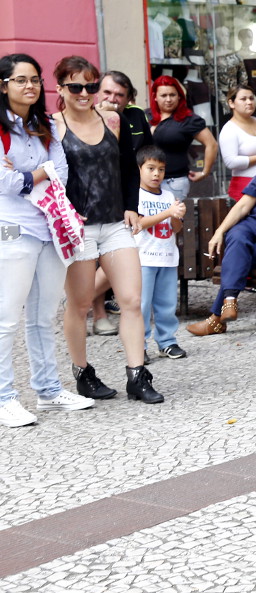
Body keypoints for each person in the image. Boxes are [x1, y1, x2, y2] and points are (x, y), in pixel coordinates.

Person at [53, 56, 163, 404]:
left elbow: (130, 168)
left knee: (130, 299)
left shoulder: (112, 120)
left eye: (90, 86)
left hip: (116, 222)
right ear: (60, 89)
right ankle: (83, 373)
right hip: (78, 228)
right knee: (80, 303)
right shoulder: (53, 127)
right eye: (75, 86)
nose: (84, 93)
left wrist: (132, 206)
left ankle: (137, 375)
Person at [0, 54, 96, 427]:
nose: (30, 86)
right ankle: (5, 397)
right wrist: (39, 172)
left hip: (50, 229)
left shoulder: (46, 126)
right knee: (7, 318)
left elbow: (62, 172)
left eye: (35, 80)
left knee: (43, 316)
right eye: (21, 80)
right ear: (3, 85)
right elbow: (5, 183)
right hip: (12, 229)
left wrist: (29, 174)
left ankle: (48, 390)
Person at [188, 129, 256, 336]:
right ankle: (229, 303)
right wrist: (219, 232)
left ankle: (217, 318)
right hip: (252, 228)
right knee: (237, 234)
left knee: (239, 256)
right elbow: (242, 207)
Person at [92, 71, 152, 334]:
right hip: (94, 199)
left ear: (129, 98)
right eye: (107, 92)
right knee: (94, 259)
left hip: (128, 194)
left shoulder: (135, 116)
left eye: (119, 94)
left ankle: (115, 304)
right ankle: (96, 313)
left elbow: (144, 153)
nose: (112, 98)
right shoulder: (87, 115)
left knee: (123, 253)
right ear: (98, 92)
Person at [134, 145, 187, 359]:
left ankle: (167, 341)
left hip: (167, 257)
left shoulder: (168, 195)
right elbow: (139, 224)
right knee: (142, 305)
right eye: (151, 168)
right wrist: (168, 212)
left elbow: (177, 228)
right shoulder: (135, 195)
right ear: (139, 169)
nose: (156, 174)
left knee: (167, 304)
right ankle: (139, 345)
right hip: (143, 258)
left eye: (161, 169)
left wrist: (176, 215)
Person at [149, 76, 217, 200]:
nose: (168, 99)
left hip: (173, 182)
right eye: (163, 95)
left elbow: (211, 144)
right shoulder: (146, 116)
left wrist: (205, 172)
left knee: (171, 213)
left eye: (172, 95)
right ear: (155, 97)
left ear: (179, 96)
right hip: (146, 182)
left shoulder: (188, 119)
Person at [218, 85, 256, 200]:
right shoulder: (229, 129)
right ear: (231, 103)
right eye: (243, 99)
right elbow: (230, 162)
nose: (249, 102)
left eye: (251, 98)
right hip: (245, 185)